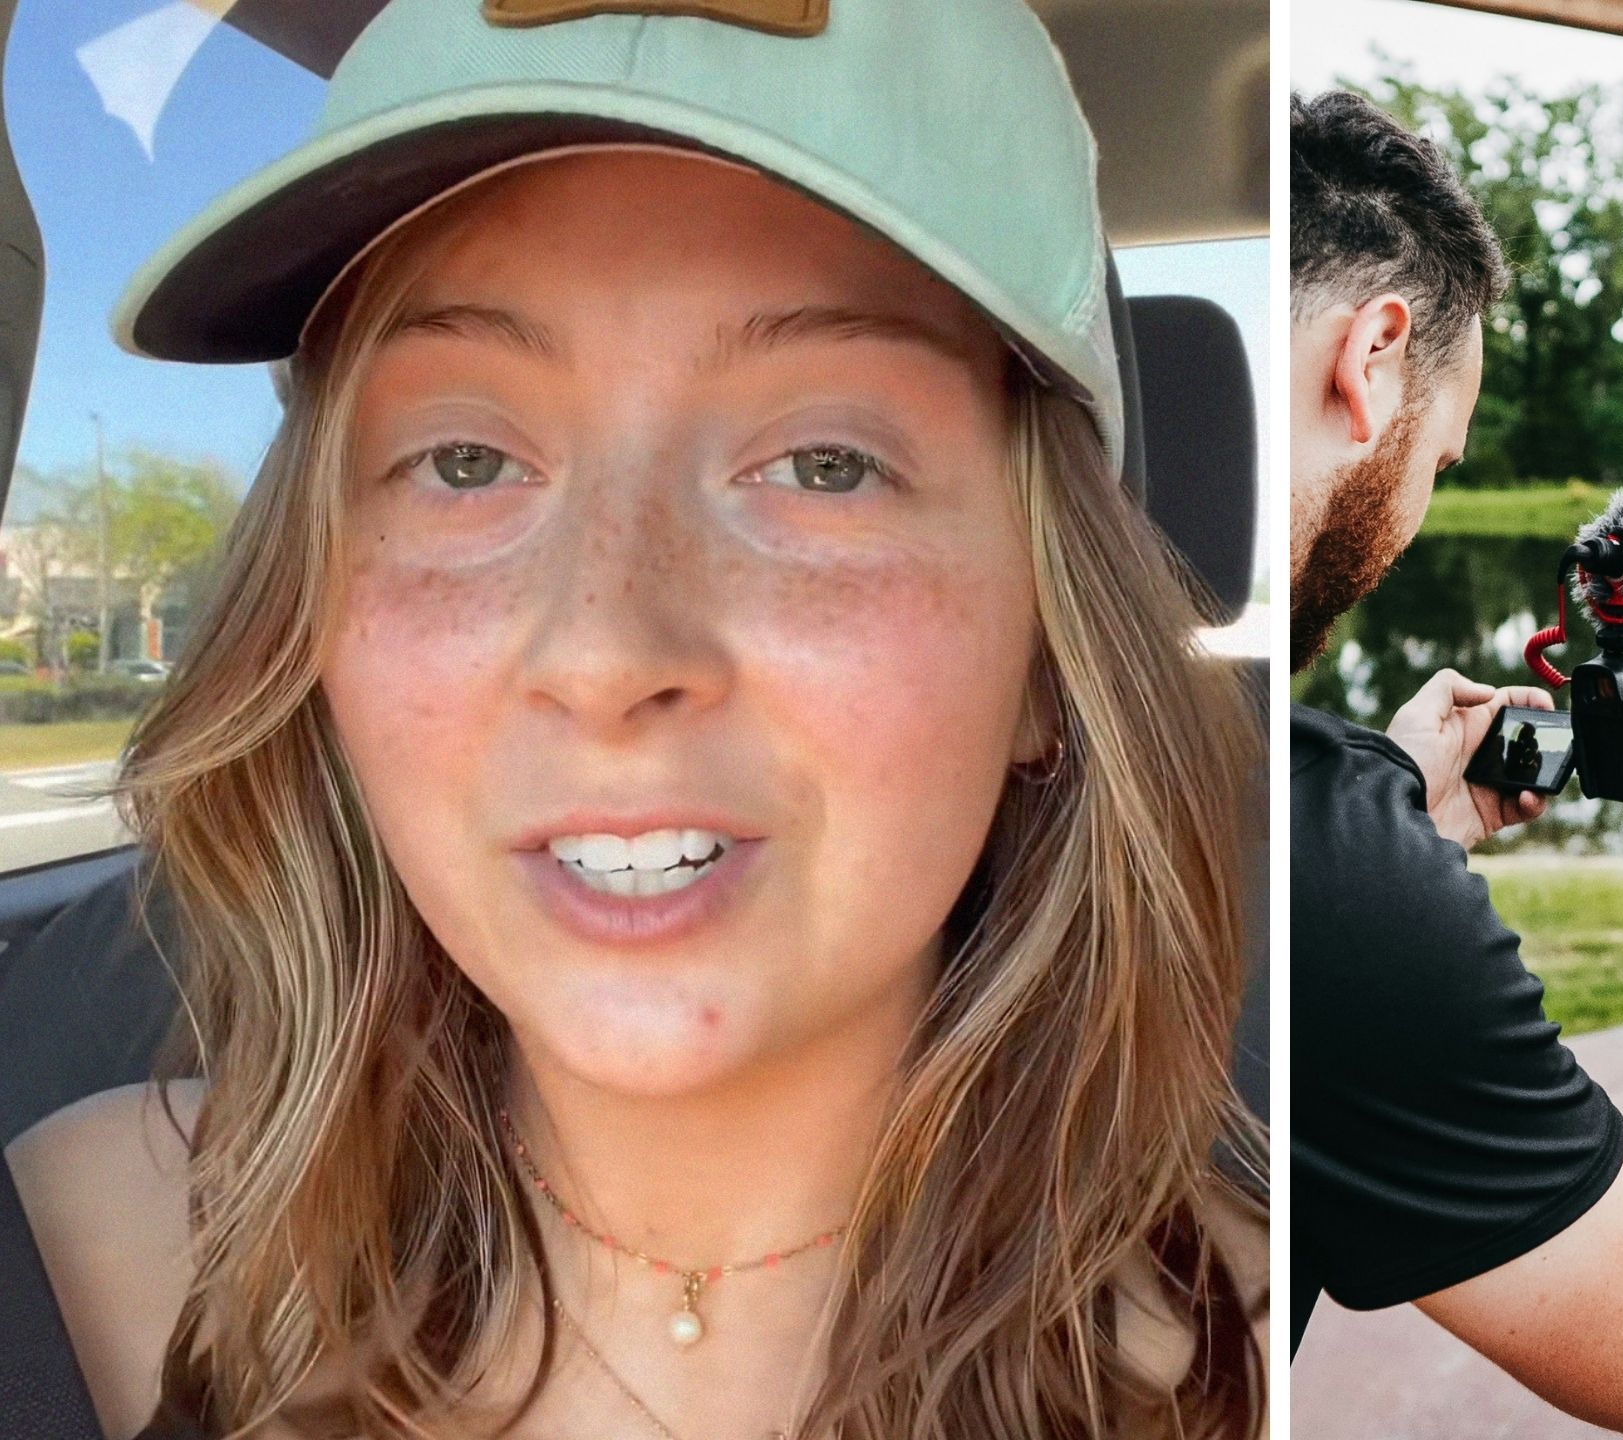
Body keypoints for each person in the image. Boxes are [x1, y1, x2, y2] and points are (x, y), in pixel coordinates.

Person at [1, 3, 1266, 1437]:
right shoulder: (62, 1262)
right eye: (466, 459)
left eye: (826, 464)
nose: (606, 650)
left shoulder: (1307, 1353)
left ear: (1048, 652)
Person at [1289, 90, 1623, 1438]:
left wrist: (1377, 801)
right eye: (1444, 448)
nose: (1419, 505)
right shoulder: (1321, 881)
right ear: (1374, 360)